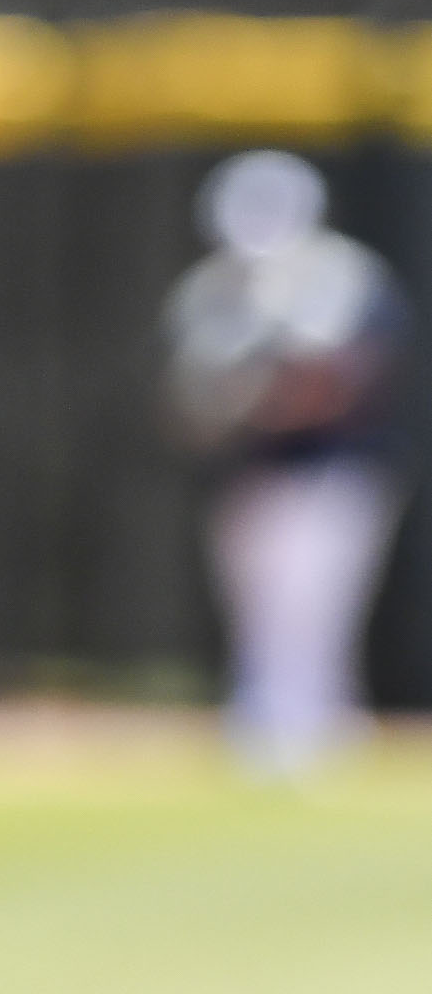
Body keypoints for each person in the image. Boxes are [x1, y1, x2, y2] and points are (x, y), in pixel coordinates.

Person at [164, 147, 404, 773]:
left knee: (313, 606)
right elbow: (189, 399)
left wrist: (255, 404)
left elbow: (343, 381)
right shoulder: (211, 288)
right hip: (251, 474)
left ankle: (317, 731)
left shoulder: (342, 274)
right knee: (258, 609)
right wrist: (230, 413)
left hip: (330, 471)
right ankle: (264, 727)